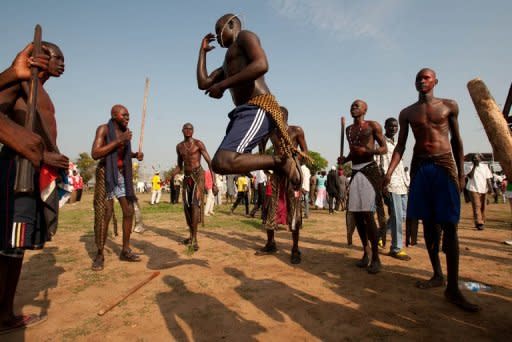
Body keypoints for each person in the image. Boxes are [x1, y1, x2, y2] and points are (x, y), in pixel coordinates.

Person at [383, 68, 479, 312]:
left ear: (435, 81)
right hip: (420, 167)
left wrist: (459, 174)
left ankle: (453, 288)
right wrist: (389, 172)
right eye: (418, 78)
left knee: (449, 225)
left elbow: (457, 141)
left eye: (426, 77)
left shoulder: (449, 106)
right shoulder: (407, 112)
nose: (421, 81)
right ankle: (437, 274)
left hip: (444, 163)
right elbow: (402, 145)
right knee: (428, 224)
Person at [0, 42, 68, 333]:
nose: (62, 63)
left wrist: (52, 156)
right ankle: (2, 315)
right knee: (8, 247)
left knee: (16, 247)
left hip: (36, 171)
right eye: (57, 57)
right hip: (18, 169)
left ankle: (4, 312)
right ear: (39, 58)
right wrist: (13, 74)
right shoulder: (18, 83)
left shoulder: (42, 92)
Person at [197, 13, 301, 187]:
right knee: (220, 163)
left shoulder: (245, 36)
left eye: (219, 30)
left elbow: (261, 64)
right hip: (243, 112)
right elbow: (204, 83)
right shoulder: (225, 63)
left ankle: (281, 162)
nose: (217, 36)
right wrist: (202, 52)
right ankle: (279, 164)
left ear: (231, 24)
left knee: (224, 160)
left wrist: (222, 86)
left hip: (258, 106)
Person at [90, 104, 144, 271]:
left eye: (128, 116)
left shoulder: (126, 133)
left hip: (121, 174)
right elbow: (95, 153)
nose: (127, 118)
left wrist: (135, 155)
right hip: (106, 172)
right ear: (114, 116)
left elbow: (122, 154)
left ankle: (125, 249)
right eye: (124, 115)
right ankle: (99, 254)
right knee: (105, 213)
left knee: (128, 211)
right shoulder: (104, 130)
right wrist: (120, 140)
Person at [257, 107, 309, 264]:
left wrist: (294, 164)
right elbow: (261, 146)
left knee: (294, 211)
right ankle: (270, 243)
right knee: (270, 208)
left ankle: (295, 248)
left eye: (277, 115)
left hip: (291, 174)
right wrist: (263, 160)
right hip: (275, 173)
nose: (274, 118)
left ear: (285, 116)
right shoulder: (271, 133)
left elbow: (306, 154)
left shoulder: (296, 130)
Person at [340, 100, 387, 274]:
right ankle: (365, 252)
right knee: (357, 215)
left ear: (365, 109)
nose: (353, 107)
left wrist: (368, 152)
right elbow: (353, 152)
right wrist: (344, 160)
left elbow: (384, 149)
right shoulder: (348, 130)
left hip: (369, 171)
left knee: (367, 214)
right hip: (355, 172)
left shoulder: (373, 125)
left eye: (357, 105)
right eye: (352, 105)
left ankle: (376, 257)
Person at [169, 123, 216, 251]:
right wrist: (172, 175)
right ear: (182, 130)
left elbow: (210, 163)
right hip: (187, 177)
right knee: (187, 207)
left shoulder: (198, 144)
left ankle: (194, 239)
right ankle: (191, 235)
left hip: (198, 176)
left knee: (195, 205)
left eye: (190, 129)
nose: (188, 130)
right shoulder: (179, 147)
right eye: (186, 128)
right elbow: (180, 165)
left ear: (193, 131)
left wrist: (215, 183)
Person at [379, 118, 410, 261]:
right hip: (390, 183)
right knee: (397, 216)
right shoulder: (380, 143)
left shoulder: (399, 144)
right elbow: (377, 163)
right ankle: (396, 248)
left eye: (395, 126)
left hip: (402, 183)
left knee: (402, 215)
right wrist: (382, 183)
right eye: (390, 126)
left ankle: (381, 234)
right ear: (385, 127)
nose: (393, 128)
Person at [465, 154, 493, 230]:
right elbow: (470, 176)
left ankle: (482, 221)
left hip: (484, 189)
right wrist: (474, 166)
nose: (475, 159)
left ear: (480, 159)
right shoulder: (468, 166)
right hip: (473, 188)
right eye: (474, 158)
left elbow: (488, 179)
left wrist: (491, 189)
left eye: (477, 158)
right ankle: (479, 222)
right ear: (472, 159)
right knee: (477, 206)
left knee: (483, 206)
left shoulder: (485, 166)